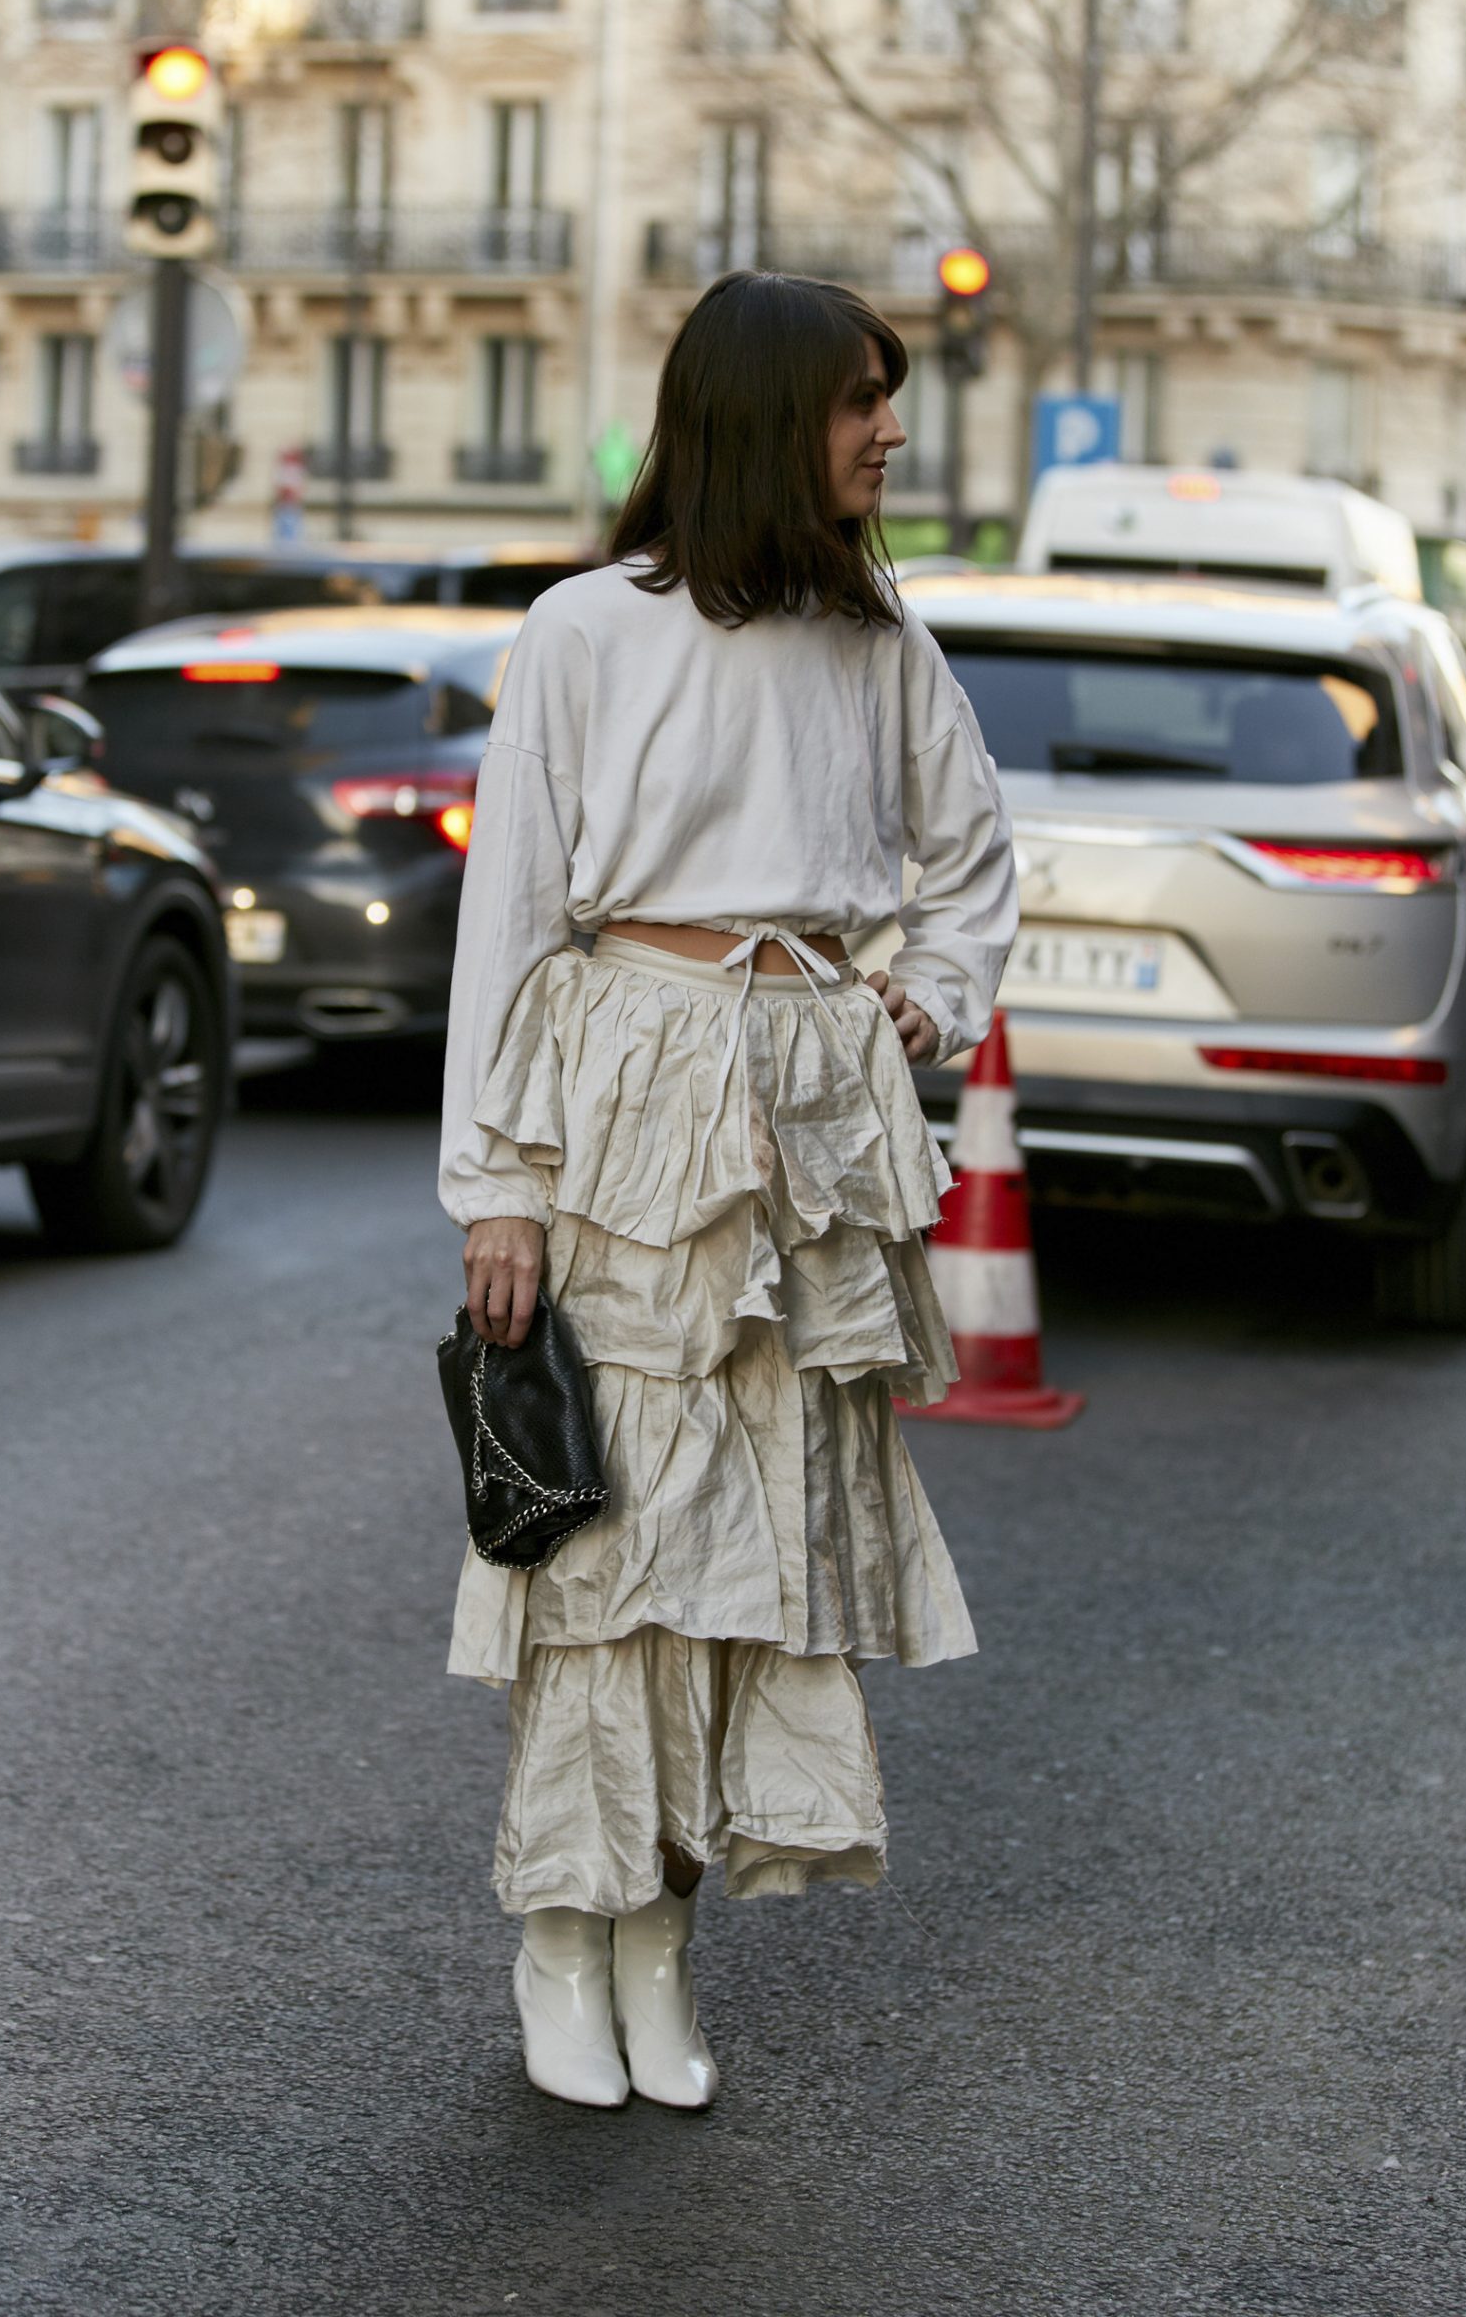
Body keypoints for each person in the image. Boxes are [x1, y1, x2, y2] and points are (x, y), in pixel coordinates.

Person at [439, 269, 1018, 2111]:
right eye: (865, 399)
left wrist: (912, 1002)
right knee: (604, 1551)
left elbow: (973, 858)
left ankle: (664, 1942)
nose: (892, 430)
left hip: (812, 1130)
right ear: (775, 415)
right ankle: (565, 1935)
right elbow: (510, 922)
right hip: (623, 1093)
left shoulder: (876, 635)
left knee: (753, 1561)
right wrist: (499, 1190)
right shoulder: (585, 631)